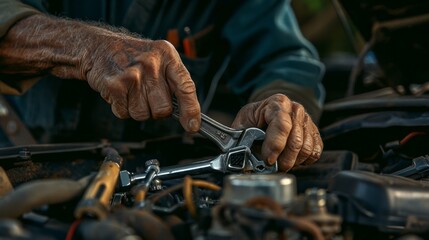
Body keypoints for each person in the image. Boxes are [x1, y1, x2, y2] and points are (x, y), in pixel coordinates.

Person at [0, 0, 324, 172]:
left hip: (152, 174)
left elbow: (285, 59)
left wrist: (281, 104)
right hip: (18, 163)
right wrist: (86, 46)